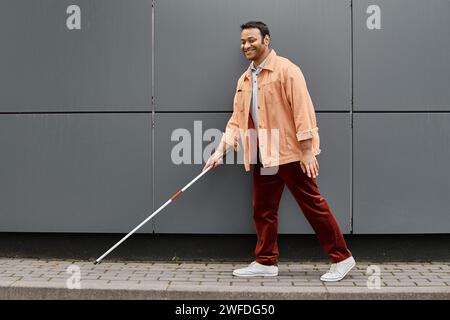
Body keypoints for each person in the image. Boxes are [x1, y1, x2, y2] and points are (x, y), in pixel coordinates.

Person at [203, 21, 355, 282]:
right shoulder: (244, 79)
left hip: (290, 153)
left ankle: (342, 258)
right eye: (242, 42)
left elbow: (303, 110)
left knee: (312, 206)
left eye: (251, 40)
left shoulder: (287, 70)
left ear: (266, 40)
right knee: (262, 209)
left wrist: (307, 151)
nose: (246, 45)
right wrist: (219, 151)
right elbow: (236, 121)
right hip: (263, 154)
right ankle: (265, 261)